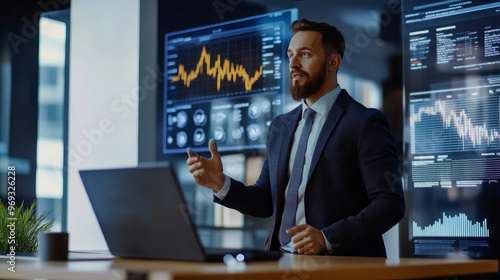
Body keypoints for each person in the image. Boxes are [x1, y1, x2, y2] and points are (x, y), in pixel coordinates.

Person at [186, 19, 405, 257]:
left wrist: (326, 238)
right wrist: (219, 183)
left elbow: (390, 203)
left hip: (339, 267)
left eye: (305, 54)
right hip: (280, 262)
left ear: (333, 62)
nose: (293, 64)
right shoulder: (281, 126)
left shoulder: (364, 123)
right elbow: (265, 201)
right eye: (290, 55)